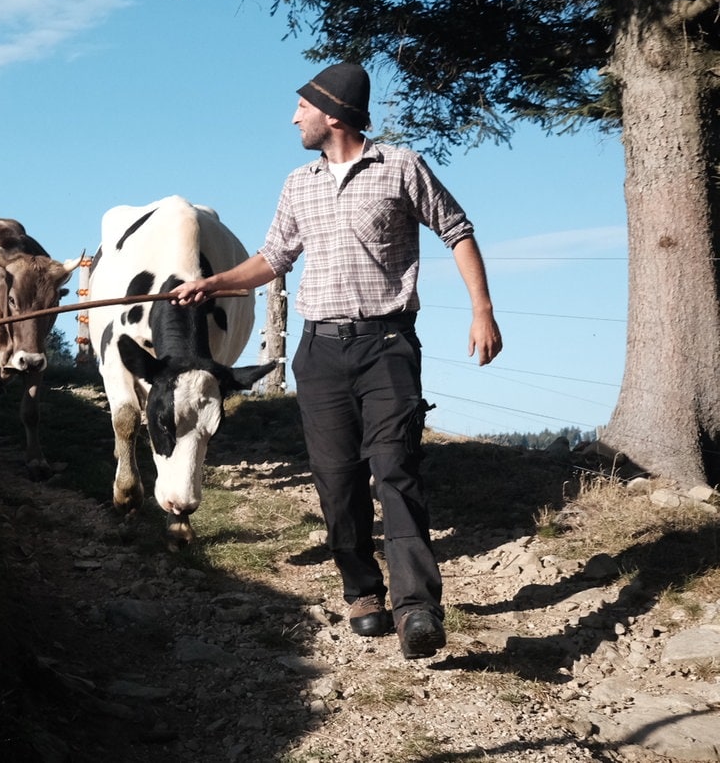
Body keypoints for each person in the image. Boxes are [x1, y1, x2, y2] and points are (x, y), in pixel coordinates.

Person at [173, 62, 503, 659]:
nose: (294, 117)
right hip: (319, 351)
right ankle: (363, 592)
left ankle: (418, 608)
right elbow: (273, 259)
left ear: (333, 113)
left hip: (388, 347)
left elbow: (457, 230)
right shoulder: (298, 183)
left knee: (395, 470)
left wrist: (482, 310)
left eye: (302, 106)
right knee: (336, 480)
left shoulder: (402, 167)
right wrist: (215, 282)